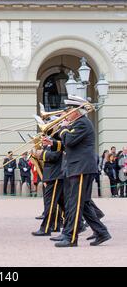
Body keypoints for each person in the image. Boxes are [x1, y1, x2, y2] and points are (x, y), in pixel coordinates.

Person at [51, 96, 111, 248]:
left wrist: (63, 128)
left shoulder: (82, 123)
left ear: (77, 111)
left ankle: (71, 238)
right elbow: (69, 145)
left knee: (75, 204)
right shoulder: (78, 123)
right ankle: (101, 232)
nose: (66, 113)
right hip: (78, 166)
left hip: (81, 167)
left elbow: (70, 141)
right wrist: (52, 142)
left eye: (69, 110)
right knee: (82, 204)